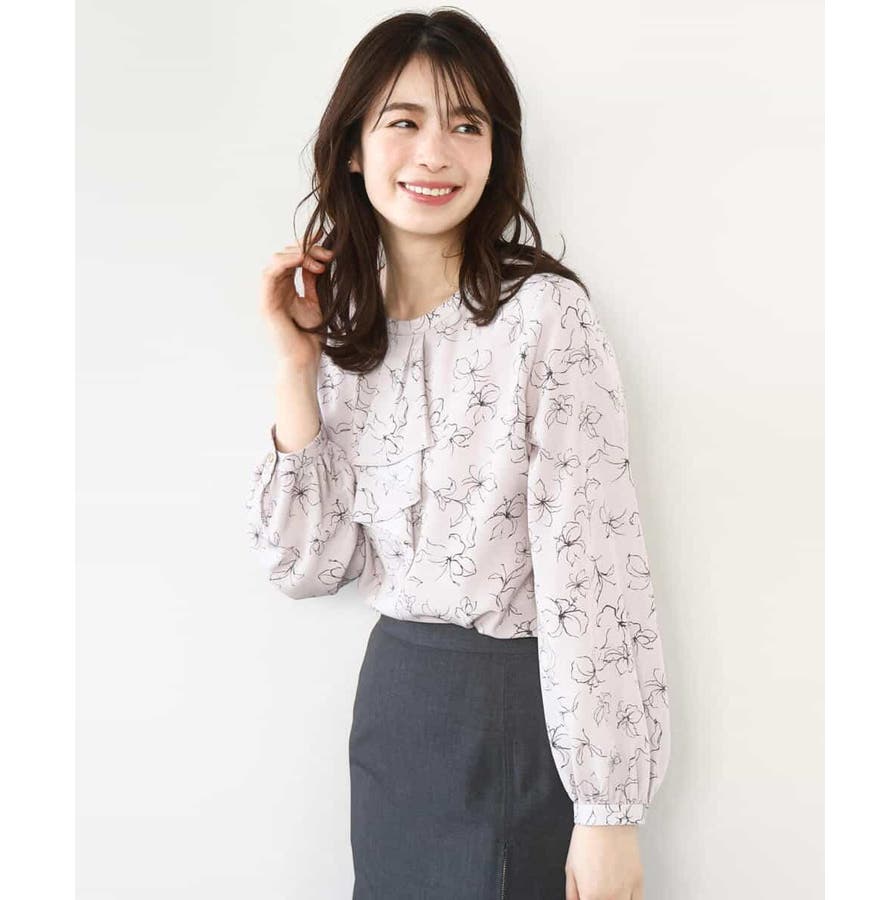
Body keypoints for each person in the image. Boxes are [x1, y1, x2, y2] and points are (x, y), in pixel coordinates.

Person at [247, 9, 671, 899]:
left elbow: (596, 567)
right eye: (403, 121)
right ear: (354, 148)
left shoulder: (545, 318)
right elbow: (305, 567)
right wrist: (296, 367)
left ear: (495, 150)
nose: (435, 153)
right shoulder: (347, 333)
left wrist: (607, 812)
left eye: (466, 124)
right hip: (394, 710)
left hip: (512, 715)